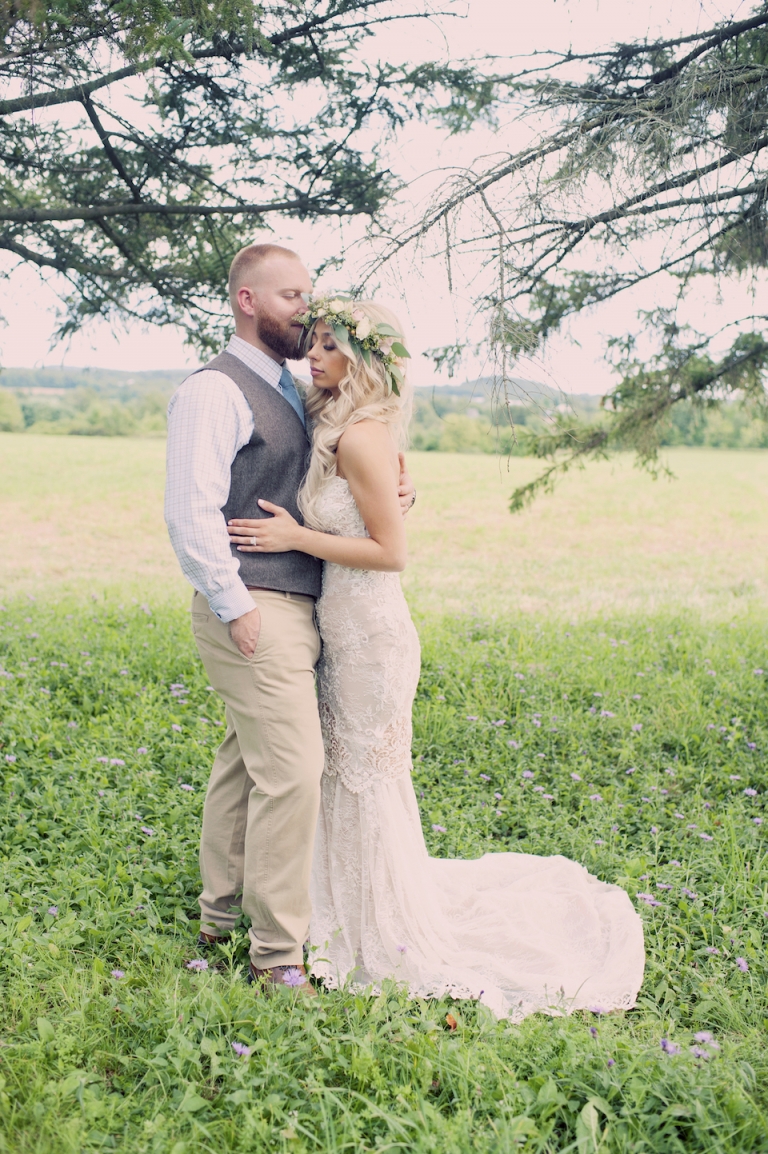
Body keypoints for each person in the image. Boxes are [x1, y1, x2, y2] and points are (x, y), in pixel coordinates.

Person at [226, 294, 646, 1019]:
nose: (311, 354)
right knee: (344, 775)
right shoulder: (345, 422)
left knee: (361, 777)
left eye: (327, 346)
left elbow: (391, 552)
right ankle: (332, 904)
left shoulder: (360, 436)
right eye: (313, 341)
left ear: (360, 360)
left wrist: (299, 538)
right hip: (345, 625)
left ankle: (369, 924)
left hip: (370, 633)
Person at [164, 246, 415, 992]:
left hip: (309, 605)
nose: (306, 311)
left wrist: (400, 482)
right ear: (247, 300)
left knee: (247, 761)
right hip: (256, 604)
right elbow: (190, 511)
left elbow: (349, 459)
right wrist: (235, 606)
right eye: (291, 295)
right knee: (296, 771)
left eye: (309, 295)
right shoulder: (215, 390)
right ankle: (277, 956)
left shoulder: (293, 388)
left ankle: (220, 912)